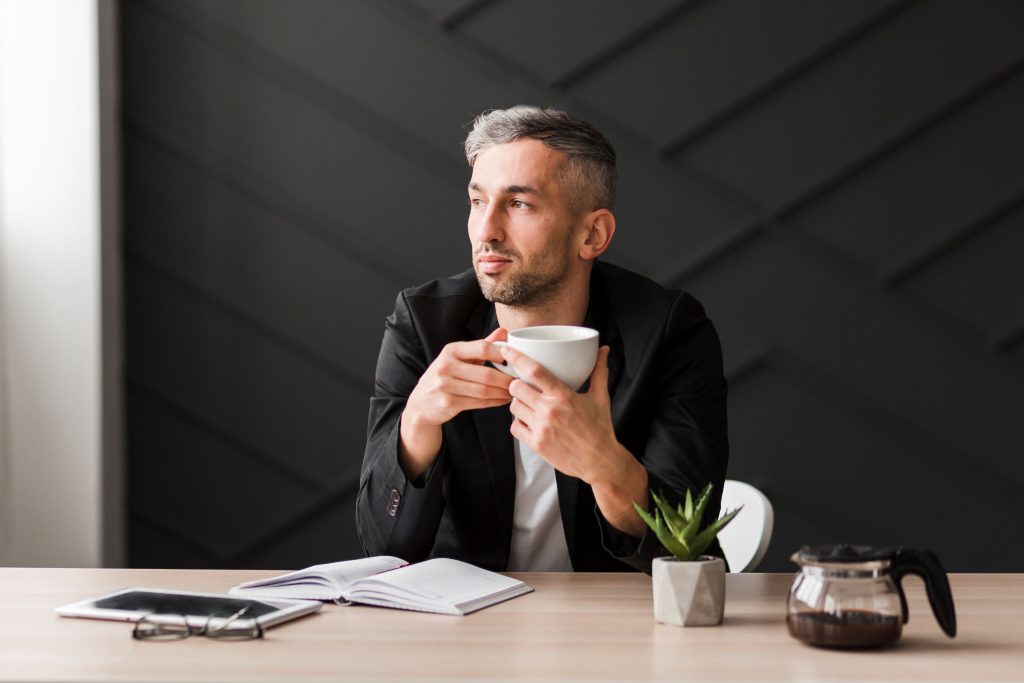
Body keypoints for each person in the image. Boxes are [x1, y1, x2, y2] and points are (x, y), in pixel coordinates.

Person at [356, 106, 728, 574]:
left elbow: (687, 550)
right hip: (466, 628)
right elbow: (380, 551)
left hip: (617, 629)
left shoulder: (670, 330)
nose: (486, 232)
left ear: (593, 234)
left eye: (519, 204)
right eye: (477, 202)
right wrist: (416, 426)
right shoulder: (424, 324)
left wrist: (603, 463)